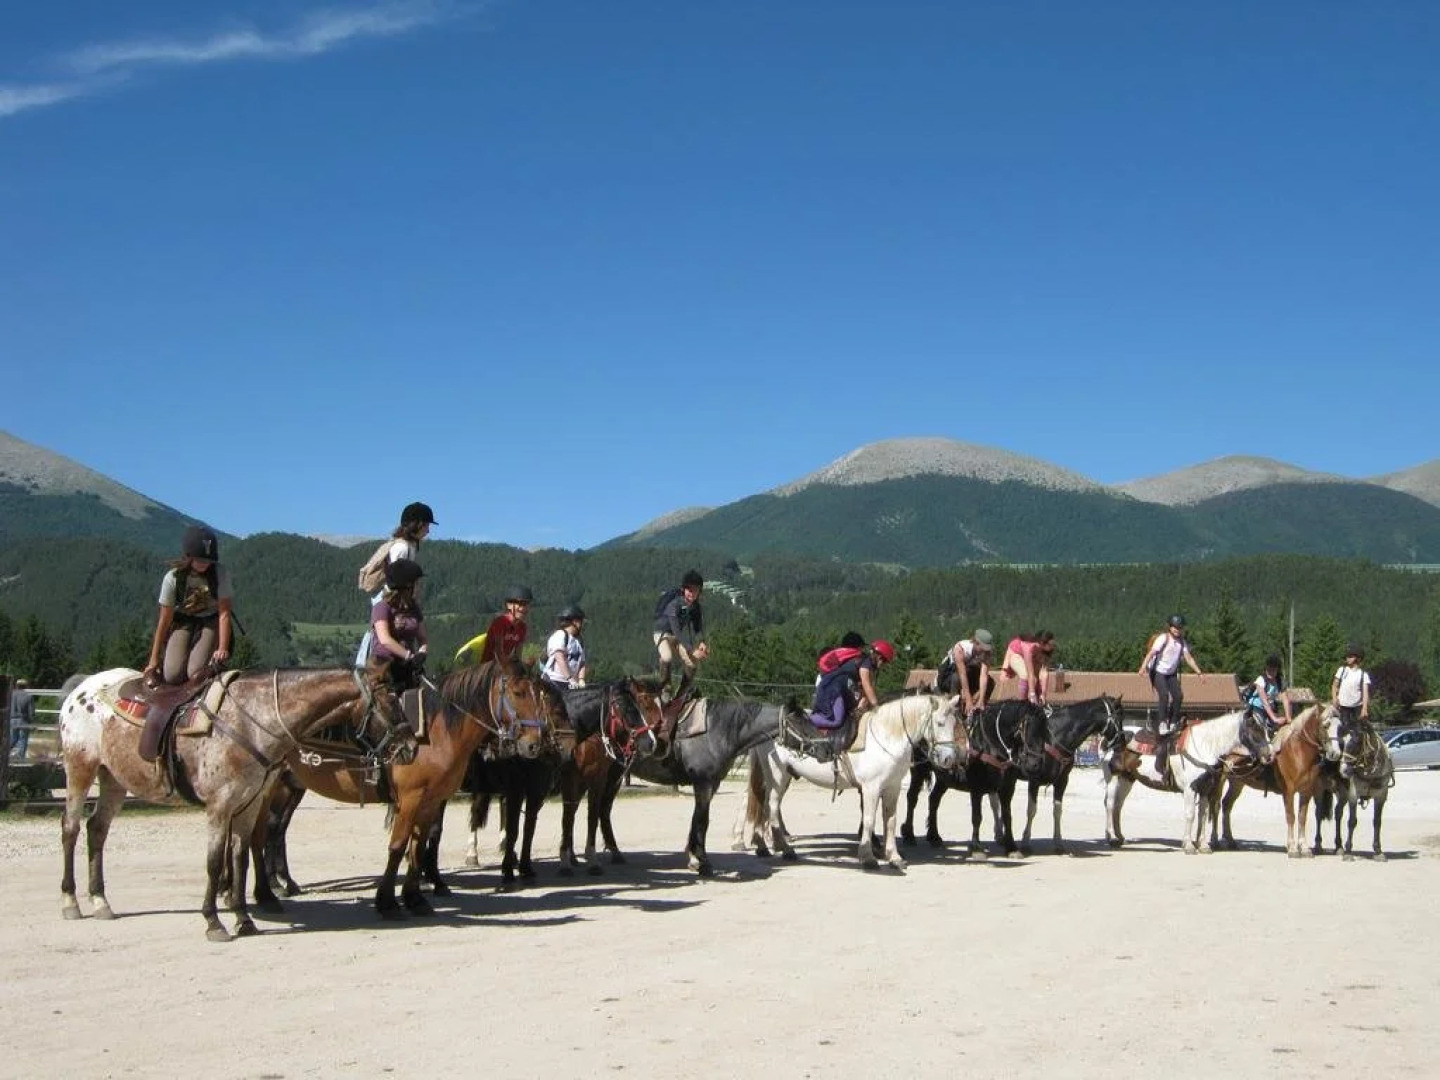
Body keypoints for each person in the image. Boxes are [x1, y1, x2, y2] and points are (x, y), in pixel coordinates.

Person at [143, 525, 233, 686]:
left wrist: (222, 648)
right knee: (172, 675)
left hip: (211, 621)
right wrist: (153, 660)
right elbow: (164, 621)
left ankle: (215, 669)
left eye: (208, 560)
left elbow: (224, 613)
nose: (204, 564)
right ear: (189, 556)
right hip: (183, 621)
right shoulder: (173, 578)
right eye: (199, 559)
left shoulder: (220, 574)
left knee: (196, 673)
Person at [809, 639, 896, 760]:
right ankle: (806, 720)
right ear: (878, 656)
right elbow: (867, 684)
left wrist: (864, 702)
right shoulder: (866, 663)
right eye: (884, 661)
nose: (884, 664)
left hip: (840, 689)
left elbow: (868, 690)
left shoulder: (867, 663)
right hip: (833, 689)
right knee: (836, 720)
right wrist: (877, 707)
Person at [1139, 614, 1204, 733]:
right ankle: (1162, 723)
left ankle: (1173, 721)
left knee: (1178, 696)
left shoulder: (1182, 643)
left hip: (1171, 674)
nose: (1177, 630)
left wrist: (1199, 673)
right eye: (1175, 627)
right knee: (1163, 695)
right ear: (1170, 627)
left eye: (1179, 628)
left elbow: (1189, 658)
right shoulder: (1163, 638)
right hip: (1158, 672)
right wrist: (1143, 667)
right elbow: (1151, 653)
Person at [369, 559, 428, 690]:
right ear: (407, 586)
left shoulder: (414, 608)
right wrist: (409, 656)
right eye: (417, 584)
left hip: (407, 666)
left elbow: (423, 637)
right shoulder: (382, 608)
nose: (420, 587)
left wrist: (422, 653)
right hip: (383, 668)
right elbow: (385, 640)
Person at [654, 570, 708, 700]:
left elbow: (698, 628)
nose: (691, 593)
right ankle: (665, 689)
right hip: (662, 633)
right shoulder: (674, 604)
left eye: (695, 590)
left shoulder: (695, 607)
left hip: (676, 636)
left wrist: (701, 642)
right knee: (667, 657)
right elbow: (677, 630)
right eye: (689, 589)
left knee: (692, 663)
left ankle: (682, 691)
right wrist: (692, 649)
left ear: (699, 591)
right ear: (684, 589)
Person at [943, 629, 995, 715]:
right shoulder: (960, 649)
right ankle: (955, 712)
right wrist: (968, 700)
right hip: (950, 676)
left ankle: (979, 709)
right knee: (956, 678)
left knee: (990, 682)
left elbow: (983, 676)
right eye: (983, 648)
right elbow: (962, 675)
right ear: (976, 643)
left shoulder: (986, 653)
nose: (985, 651)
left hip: (969, 674)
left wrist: (981, 699)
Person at [1001, 631, 1056, 707]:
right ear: (1042, 643)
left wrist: (1042, 694)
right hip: (1015, 653)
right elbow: (1030, 673)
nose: (1052, 647)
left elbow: (1044, 672)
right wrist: (1032, 694)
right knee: (1025, 675)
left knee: (1036, 680)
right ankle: (1022, 705)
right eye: (1050, 645)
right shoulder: (1028, 647)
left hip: (1033, 654)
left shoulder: (1046, 650)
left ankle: (1037, 704)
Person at [480, 586, 532, 665]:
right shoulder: (500, 622)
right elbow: (498, 653)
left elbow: (518, 654)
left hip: (506, 667)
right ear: (509, 605)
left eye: (526, 604)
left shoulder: (522, 627)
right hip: (489, 667)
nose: (523, 608)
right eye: (520, 604)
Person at [542, 605, 589, 690]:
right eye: (581, 621)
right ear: (575, 622)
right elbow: (560, 657)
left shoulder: (579, 641)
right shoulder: (560, 635)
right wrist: (570, 678)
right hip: (554, 681)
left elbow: (582, 663)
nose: (582, 625)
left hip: (570, 684)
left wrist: (581, 679)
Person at [1244, 653, 1293, 732]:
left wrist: (1288, 717)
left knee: (1279, 727)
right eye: (1269, 669)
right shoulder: (1260, 680)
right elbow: (1264, 702)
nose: (1270, 672)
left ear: (1277, 670)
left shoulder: (1280, 681)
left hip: (1270, 708)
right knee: (1261, 727)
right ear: (1266, 668)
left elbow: (1286, 700)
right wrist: (1275, 719)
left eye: (1273, 670)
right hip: (1256, 708)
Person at [1331, 643, 1372, 730]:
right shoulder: (1341, 670)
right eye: (1347, 656)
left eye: (1350, 656)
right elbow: (1334, 685)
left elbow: (1365, 694)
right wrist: (1334, 698)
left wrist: (1364, 709)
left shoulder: (1363, 675)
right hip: (1342, 707)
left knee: (1358, 734)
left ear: (1358, 658)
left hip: (1356, 708)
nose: (1347, 658)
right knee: (1341, 729)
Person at [8, 678, 34, 761]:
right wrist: (31, 721)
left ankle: (4, 752)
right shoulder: (28, 696)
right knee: (23, 739)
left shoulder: (10, 695)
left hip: (12, 719)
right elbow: (31, 711)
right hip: (23, 719)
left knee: (13, 738)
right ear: (25, 686)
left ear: (17, 685)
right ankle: (21, 757)